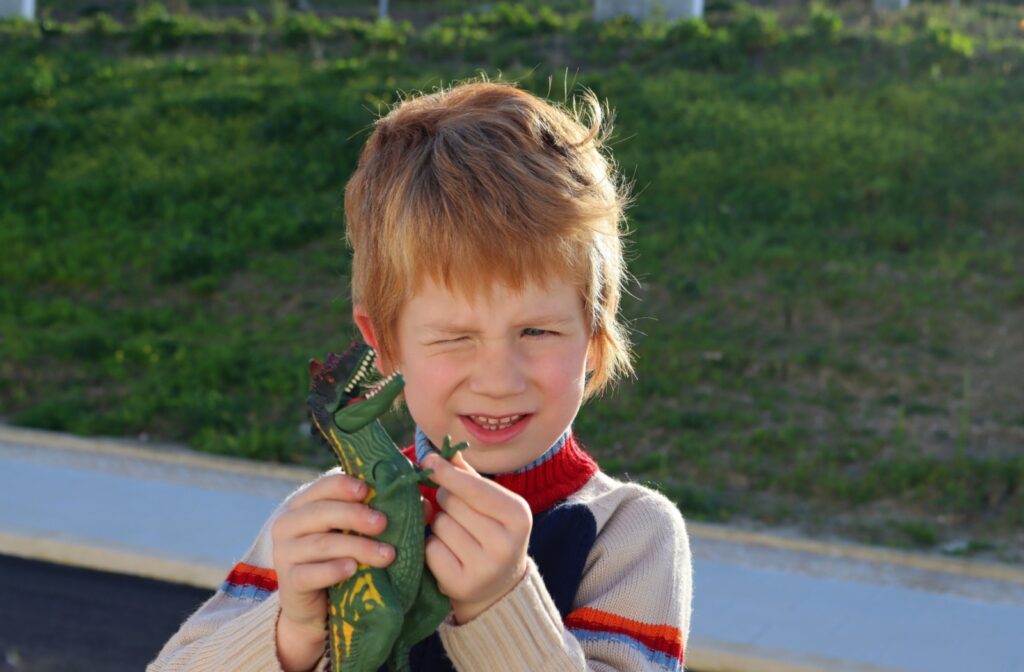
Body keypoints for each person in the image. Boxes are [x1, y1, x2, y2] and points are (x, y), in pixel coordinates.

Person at [148, 76, 692, 672]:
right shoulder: (333, 516)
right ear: (384, 345)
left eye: (536, 332)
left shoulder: (627, 535)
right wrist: (291, 631)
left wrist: (499, 605)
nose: (498, 378)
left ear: (594, 334)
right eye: (455, 338)